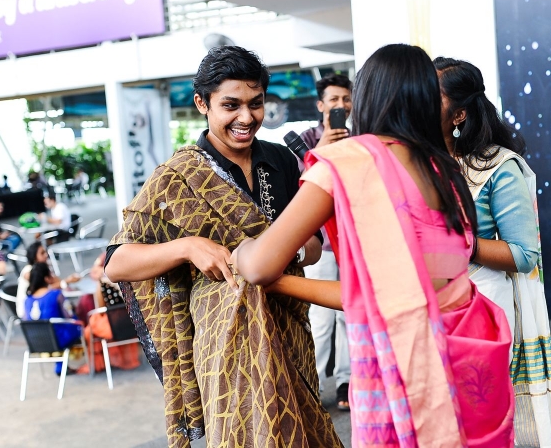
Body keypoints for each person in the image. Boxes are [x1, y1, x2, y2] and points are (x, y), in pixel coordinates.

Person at [233, 44, 515, 447]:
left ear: (364, 96)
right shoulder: (445, 170)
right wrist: (282, 284)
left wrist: (242, 253)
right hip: (467, 369)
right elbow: (380, 297)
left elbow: (259, 265)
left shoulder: (346, 162)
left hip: (399, 377)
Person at [104, 46, 341, 447]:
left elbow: (314, 244)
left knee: (301, 428)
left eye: (256, 104)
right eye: (230, 105)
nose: (246, 118)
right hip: (224, 345)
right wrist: (186, 247)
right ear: (202, 103)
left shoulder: (281, 161)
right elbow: (117, 263)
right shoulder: (176, 178)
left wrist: (284, 253)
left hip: (288, 326)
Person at [434, 57, 551, 447]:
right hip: (427, 306)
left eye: (431, 95)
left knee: (479, 417)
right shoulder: (414, 163)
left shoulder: (494, 166)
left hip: (482, 305)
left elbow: (525, 253)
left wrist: (457, 242)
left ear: (458, 114)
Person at [299, 72, 353, 411]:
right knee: (319, 318)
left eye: (345, 99)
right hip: (320, 244)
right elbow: (300, 189)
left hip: (351, 242)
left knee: (350, 316)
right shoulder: (304, 139)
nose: (340, 105)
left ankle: (348, 384)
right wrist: (321, 150)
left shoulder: (360, 138)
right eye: (333, 100)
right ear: (321, 105)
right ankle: (314, 388)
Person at [75, 252, 141, 375]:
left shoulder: (103, 285)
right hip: (133, 324)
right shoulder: (132, 280)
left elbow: (100, 308)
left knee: (92, 323)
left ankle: (99, 363)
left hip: (114, 326)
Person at [24, 262, 82, 375]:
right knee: (77, 323)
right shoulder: (56, 295)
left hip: (36, 342)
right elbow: (69, 316)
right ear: (46, 278)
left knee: (52, 329)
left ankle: (60, 366)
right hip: (58, 340)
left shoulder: (27, 300)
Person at [15, 242, 81, 318]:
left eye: (45, 252)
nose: (46, 255)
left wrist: (64, 281)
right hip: (29, 311)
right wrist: (67, 281)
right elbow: (44, 291)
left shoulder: (43, 268)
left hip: (41, 306)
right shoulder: (29, 272)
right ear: (34, 257)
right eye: (42, 253)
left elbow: (56, 281)